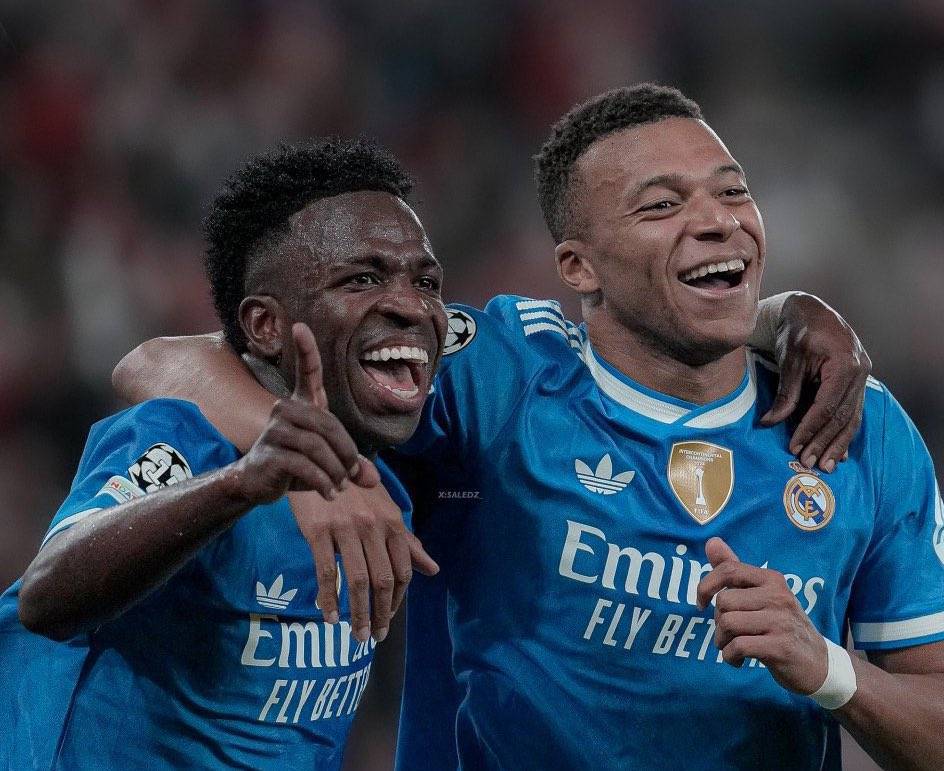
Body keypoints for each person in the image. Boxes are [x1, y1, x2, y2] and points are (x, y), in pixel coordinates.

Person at [108, 86, 931, 770]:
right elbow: (161, 362)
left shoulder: (851, 421)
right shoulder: (498, 377)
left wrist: (829, 669)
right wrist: (321, 464)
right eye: (662, 205)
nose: (718, 221)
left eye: (733, 191)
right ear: (578, 266)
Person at [0, 138, 442, 769]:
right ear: (265, 326)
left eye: (426, 282)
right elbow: (46, 595)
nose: (410, 304)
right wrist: (240, 485)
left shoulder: (391, 452)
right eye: (361, 279)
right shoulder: (183, 437)